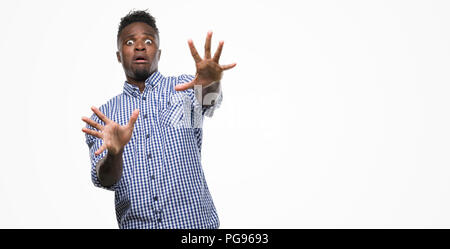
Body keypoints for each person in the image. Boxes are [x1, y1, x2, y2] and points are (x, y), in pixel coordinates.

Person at [81, 10, 235, 229]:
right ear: (118, 55)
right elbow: (106, 180)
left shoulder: (184, 89)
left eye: (148, 40)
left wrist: (211, 83)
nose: (140, 46)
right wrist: (116, 153)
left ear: (159, 53)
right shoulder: (105, 116)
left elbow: (209, 102)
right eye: (130, 41)